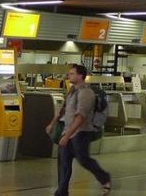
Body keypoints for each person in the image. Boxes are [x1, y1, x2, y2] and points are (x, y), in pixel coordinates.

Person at [46, 64, 111, 196]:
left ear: (80, 76)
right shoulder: (72, 91)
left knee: (83, 160)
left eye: (72, 73)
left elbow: (81, 117)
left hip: (81, 133)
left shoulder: (86, 93)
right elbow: (63, 109)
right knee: (63, 163)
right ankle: (61, 192)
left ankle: (104, 178)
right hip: (67, 131)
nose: (69, 76)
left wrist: (67, 136)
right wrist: (52, 124)